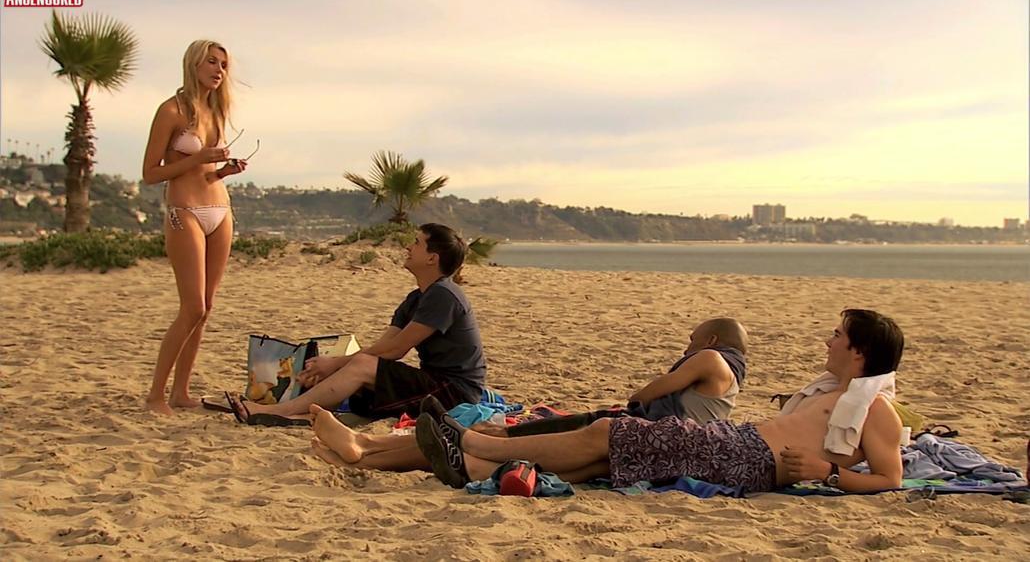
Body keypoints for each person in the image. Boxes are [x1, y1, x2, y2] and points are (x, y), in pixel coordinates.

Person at [417, 309, 906, 494]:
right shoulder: (833, 392)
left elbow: (890, 478)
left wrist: (827, 474)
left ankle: (475, 443)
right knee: (608, 459)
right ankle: (477, 470)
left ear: (859, 351)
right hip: (738, 443)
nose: (828, 340)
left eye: (838, 335)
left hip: (749, 459)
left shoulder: (875, 408)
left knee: (609, 432)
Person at [306, 318, 748, 472]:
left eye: (692, 339)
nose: (687, 347)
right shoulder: (727, 377)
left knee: (496, 438)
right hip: (635, 433)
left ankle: (366, 448)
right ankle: (366, 447)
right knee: (494, 437)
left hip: (634, 431)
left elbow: (652, 391)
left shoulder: (711, 360)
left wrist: (642, 393)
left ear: (710, 340)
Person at [229, 223, 486, 423]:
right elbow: (384, 345)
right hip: (433, 383)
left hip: (455, 393)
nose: (409, 247)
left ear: (432, 258)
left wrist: (336, 364)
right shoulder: (416, 298)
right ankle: (307, 410)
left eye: (417, 243)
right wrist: (331, 367)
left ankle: (282, 411)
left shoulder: (444, 295)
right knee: (354, 369)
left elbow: (396, 351)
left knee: (358, 365)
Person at [142, 40, 248, 415]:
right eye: (212, 62)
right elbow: (150, 173)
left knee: (206, 308)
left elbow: (206, 172)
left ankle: (181, 392)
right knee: (192, 306)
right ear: (194, 64)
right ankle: (155, 395)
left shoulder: (216, 111)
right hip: (184, 210)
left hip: (219, 210)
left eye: (224, 65)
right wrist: (198, 157)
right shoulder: (171, 110)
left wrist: (223, 171)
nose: (219, 70)